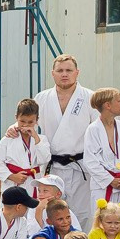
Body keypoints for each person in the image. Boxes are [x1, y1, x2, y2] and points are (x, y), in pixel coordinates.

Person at [36, 55, 95, 226]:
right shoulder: (41, 98)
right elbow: (27, 121)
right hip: (52, 166)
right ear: (52, 73)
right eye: (60, 70)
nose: (64, 74)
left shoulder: (90, 97)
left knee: (82, 214)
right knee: (52, 214)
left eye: (69, 70)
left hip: (80, 167)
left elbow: (99, 131)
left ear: (77, 73)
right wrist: (14, 128)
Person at [80, 88, 120, 213]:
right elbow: (90, 161)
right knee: (102, 220)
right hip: (102, 187)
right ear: (108, 105)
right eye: (119, 101)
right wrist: (110, 180)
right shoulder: (93, 129)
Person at [0, 99, 49, 192]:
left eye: (30, 122)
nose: (26, 125)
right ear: (16, 117)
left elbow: (44, 160)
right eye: (22, 121)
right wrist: (11, 176)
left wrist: (36, 137)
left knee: (33, 201)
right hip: (12, 183)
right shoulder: (8, 139)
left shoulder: (41, 139)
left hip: (33, 183)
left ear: (37, 120)